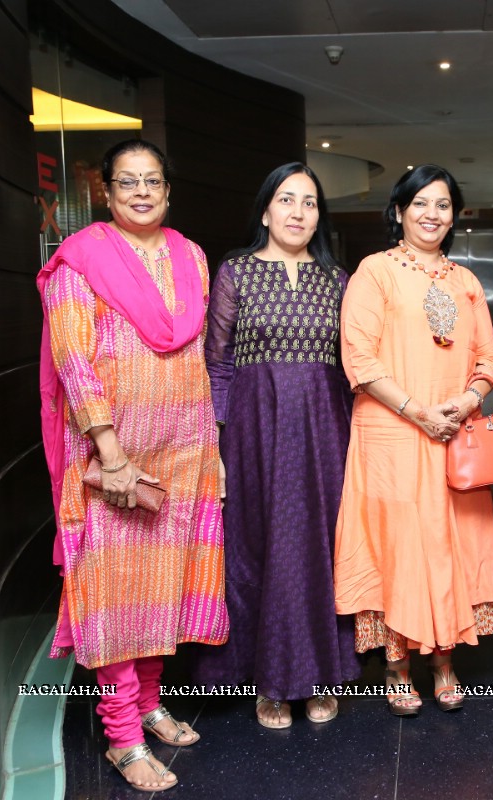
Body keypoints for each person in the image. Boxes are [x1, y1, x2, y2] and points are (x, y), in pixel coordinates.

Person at [37, 139, 226, 793]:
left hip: (184, 447)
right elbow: (73, 360)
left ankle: (149, 703)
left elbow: (198, 355)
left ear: (168, 192)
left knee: (161, 587)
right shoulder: (79, 261)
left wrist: (213, 451)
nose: (141, 192)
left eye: (152, 182)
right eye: (127, 182)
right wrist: (110, 455)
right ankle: (121, 735)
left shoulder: (192, 257)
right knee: (116, 595)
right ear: (107, 194)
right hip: (115, 458)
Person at [333, 164, 493, 715]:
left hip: (453, 432)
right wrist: (418, 412)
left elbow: (488, 357)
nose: (432, 214)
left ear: (454, 215)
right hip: (393, 434)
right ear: (400, 211)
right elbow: (359, 357)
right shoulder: (374, 272)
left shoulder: (466, 281)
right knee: (399, 544)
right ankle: (398, 663)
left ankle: (445, 659)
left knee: (451, 541)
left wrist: (470, 398)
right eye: (421, 204)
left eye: (443, 205)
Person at [196, 163, 360, 728]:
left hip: (324, 432)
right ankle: (269, 679)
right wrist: (215, 441)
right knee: (259, 547)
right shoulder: (236, 273)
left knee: (318, 549)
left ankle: (316, 673)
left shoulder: (338, 280)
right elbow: (216, 363)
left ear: (320, 215)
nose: (297, 212)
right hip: (252, 432)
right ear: (265, 210)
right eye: (286, 200)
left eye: (310, 203)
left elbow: (353, 367)